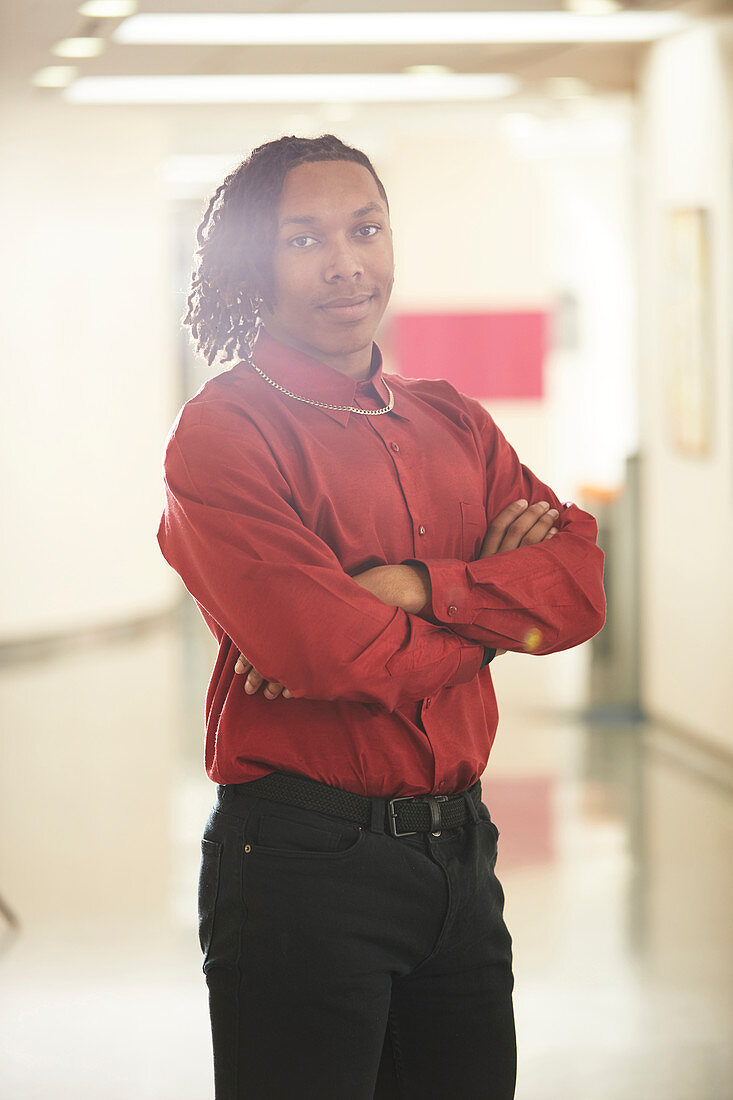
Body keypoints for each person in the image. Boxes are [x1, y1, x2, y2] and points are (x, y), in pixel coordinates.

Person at [157, 134, 606, 1100]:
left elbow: (576, 593)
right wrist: (488, 606)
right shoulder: (225, 430)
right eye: (304, 238)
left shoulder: (452, 420)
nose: (344, 262)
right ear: (252, 260)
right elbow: (325, 651)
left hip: (461, 859)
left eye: (365, 228)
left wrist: (416, 587)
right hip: (301, 865)